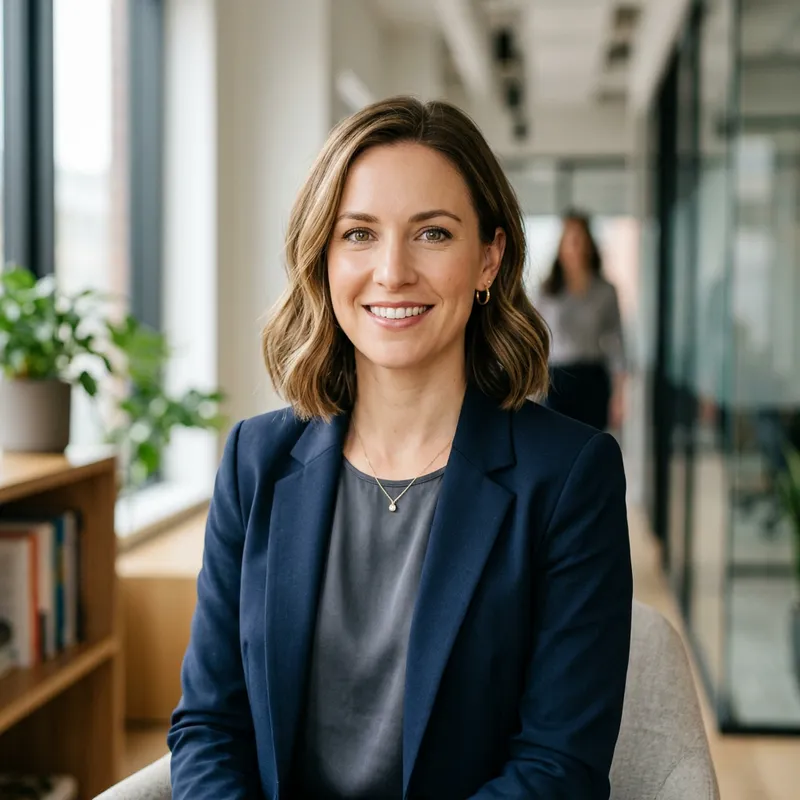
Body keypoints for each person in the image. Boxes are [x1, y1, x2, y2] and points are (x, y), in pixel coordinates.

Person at [167, 97, 633, 800]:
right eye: (358, 234)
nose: (391, 271)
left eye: (433, 234)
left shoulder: (569, 478)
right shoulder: (253, 462)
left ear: (488, 258)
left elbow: (557, 766)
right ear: (323, 256)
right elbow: (209, 726)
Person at [536, 211, 627, 431]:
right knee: (556, 445)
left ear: (589, 245)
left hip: (592, 379)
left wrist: (620, 395)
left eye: (580, 240)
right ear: (561, 247)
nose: (575, 247)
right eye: (570, 241)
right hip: (557, 379)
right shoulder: (548, 292)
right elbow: (537, 339)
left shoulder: (605, 291)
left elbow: (617, 343)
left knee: (592, 446)